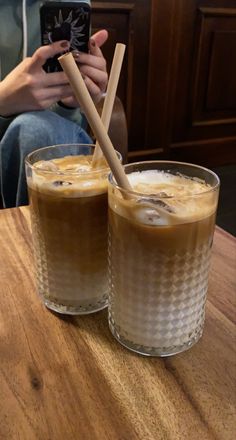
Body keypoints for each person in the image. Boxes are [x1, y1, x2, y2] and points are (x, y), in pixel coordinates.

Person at [0, 0, 108, 208]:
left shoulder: (68, 3)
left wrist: (69, 104)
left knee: (35, 129)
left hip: (51, 140)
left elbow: (65, 127)